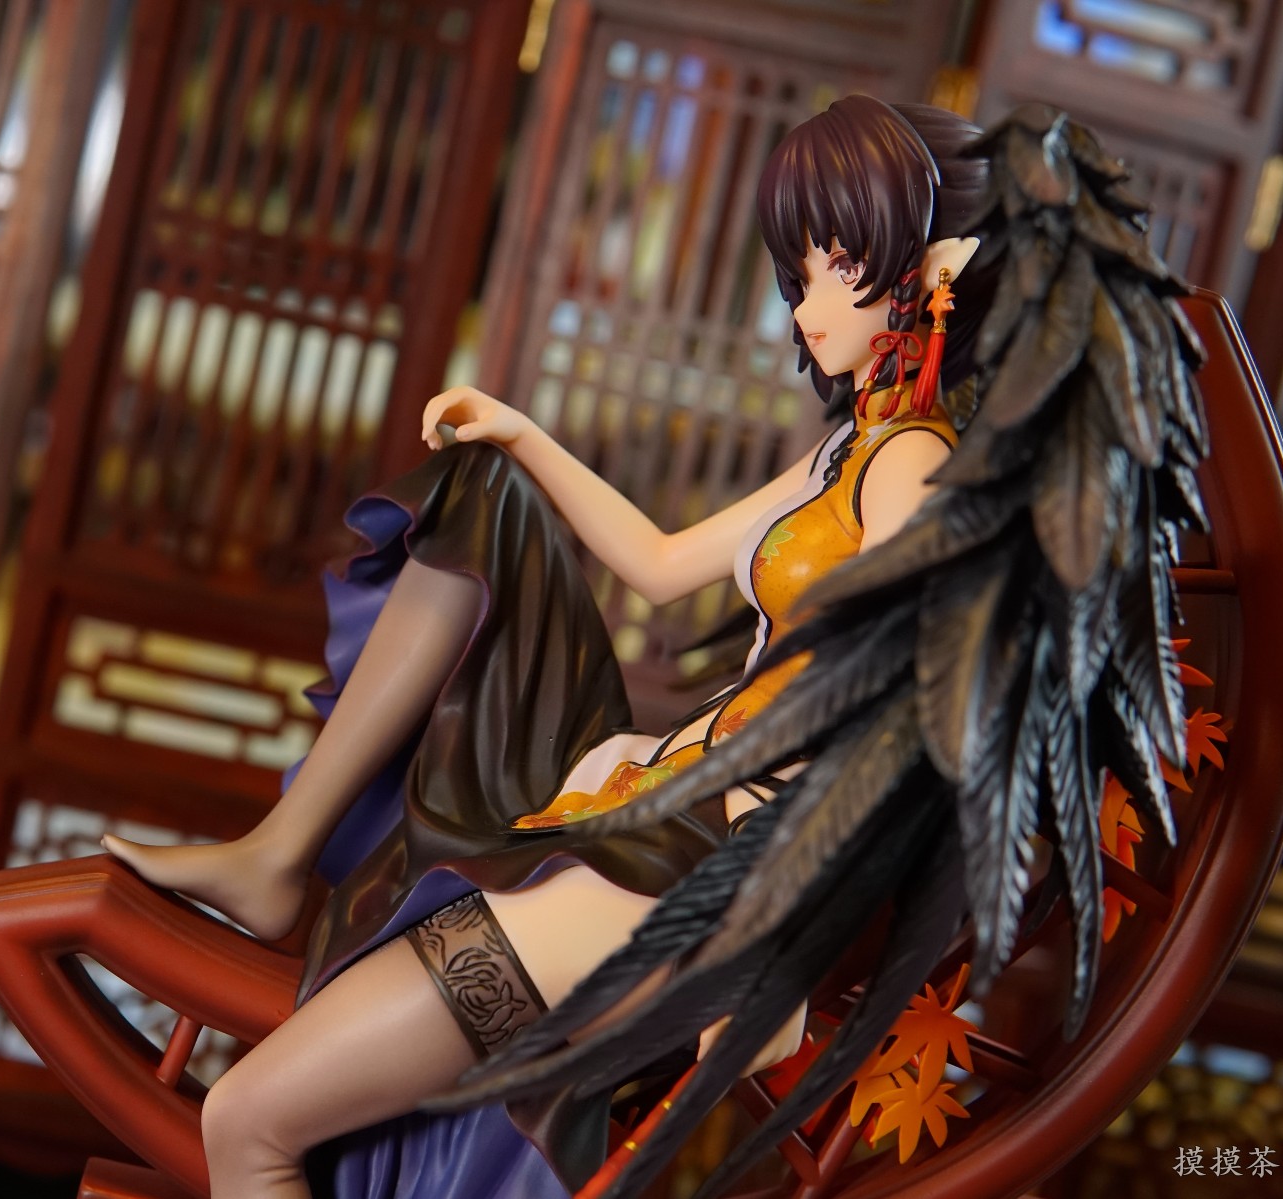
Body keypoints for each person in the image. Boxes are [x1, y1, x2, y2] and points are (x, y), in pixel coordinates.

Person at [94, 94, 1203, 1199]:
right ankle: (281, 850)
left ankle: (306, 867)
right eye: (798, 271)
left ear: (935, 267)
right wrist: (523, 434)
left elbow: (924, 721)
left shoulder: (920, 468)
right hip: (649, 806)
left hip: (701, 876)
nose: (807, 303)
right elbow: (664, 562)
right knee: (485, 490)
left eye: (839, 263)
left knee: (249, 1121)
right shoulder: (854, 452)